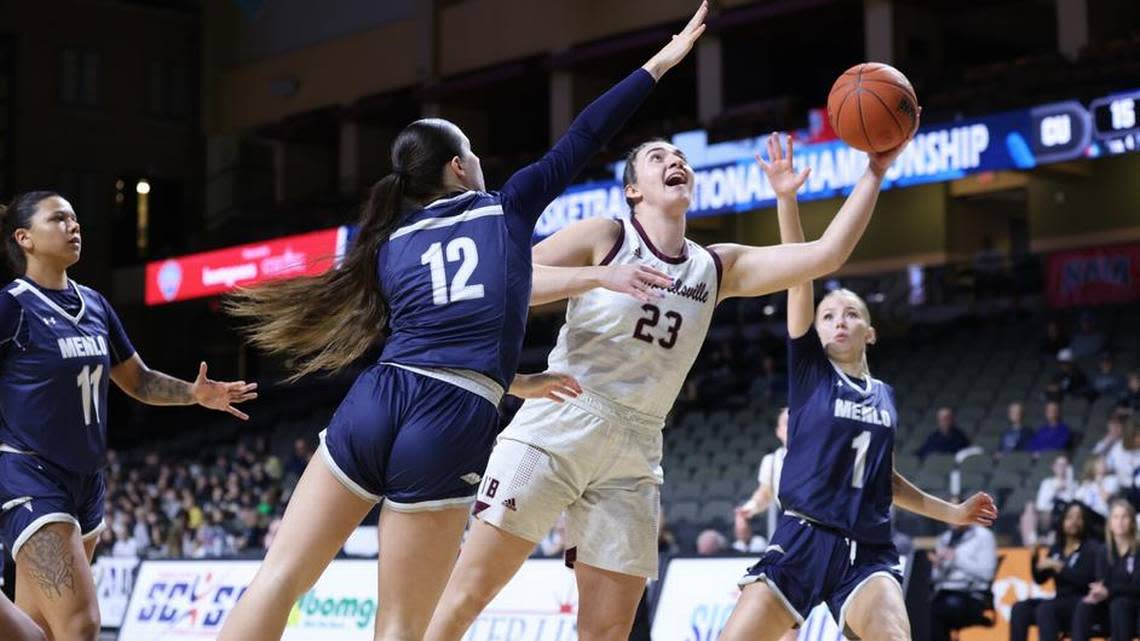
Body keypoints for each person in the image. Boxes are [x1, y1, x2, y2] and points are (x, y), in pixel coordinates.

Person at [215, 7, 708, 641]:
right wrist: (661, 62)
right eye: (470, 153)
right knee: (400, 625)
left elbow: (444, 329)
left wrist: (517, 380)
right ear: (457, 168)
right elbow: (587, 133)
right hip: (449, 415)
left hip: (377, 398)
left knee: (279, 577)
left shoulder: (387, 239)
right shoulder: (506, 208)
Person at [424, 116, 921, 641]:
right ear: (633, 189)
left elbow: (824, 255)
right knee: (469, 592)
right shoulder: (606, 235)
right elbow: (506, 279)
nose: (674, 161)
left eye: (678, 157)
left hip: (637, 448)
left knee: (609, 630)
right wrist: (597, 277)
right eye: (658, 157)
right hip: (560, 421)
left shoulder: (715, 266)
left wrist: (875, 170)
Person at [716, 133, 997, 641]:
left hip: (866, 550)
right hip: (803, 538)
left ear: (870, 331)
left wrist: (950, 512)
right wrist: (786, 199)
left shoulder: (885, 395)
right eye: (828, 315)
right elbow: (799, 274)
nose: (838, 320)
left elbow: (882, 480)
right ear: (817, 331)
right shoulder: (810, 371)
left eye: (851, 314)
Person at [0, 192, 255, 640]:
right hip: (29, 475)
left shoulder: (95, 305)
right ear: (25, 239)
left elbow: (137, 380)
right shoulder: (11, 306)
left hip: (87, 482)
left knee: (34, 631)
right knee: (81, 627)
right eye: (58, 219)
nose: (73, 226)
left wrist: (194, 395)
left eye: (76, 218)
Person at [1010, 502, 1101, 641]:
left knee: (1046, 609)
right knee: (1020, 608)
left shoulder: (1092, 548)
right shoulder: (1057, 547)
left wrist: (1059, 567)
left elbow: (1086, 581)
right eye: (1069, 517)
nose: (1074, 522)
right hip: (1060, 601)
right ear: (1063, 521)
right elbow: (1040, 579)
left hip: (1081, 603)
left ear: (1085, 522)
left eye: (1079, 518)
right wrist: (1034, 558)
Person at [1072, 499, 1140, 641]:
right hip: (1109, 603)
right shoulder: (1103, 551)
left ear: (1132, 522)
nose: (1120, 522)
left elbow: (1136, 586)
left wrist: (1109, 591)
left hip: (1133, 604)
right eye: (1115, 517)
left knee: (1120, 605)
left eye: (1124, 517)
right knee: (1084, 605)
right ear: (1109, 523)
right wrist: (1097, 593)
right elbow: (1101, 581)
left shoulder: (1138, 549)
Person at [928, 521, 998, 641]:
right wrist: (937, 566)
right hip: (943, 593)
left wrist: (957, 558)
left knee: (938, 613)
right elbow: (935, 578)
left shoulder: (983, 536)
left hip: (972, 596)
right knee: (920, 611)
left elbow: (987, 573)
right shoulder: (945, 538)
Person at [738, 407, 789, 538]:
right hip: (791, 524)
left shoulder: (819, 454)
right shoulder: (771, 461)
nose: (792, 426)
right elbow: (765, 493)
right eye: (787, 422)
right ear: (778, 431)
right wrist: (750, 507)